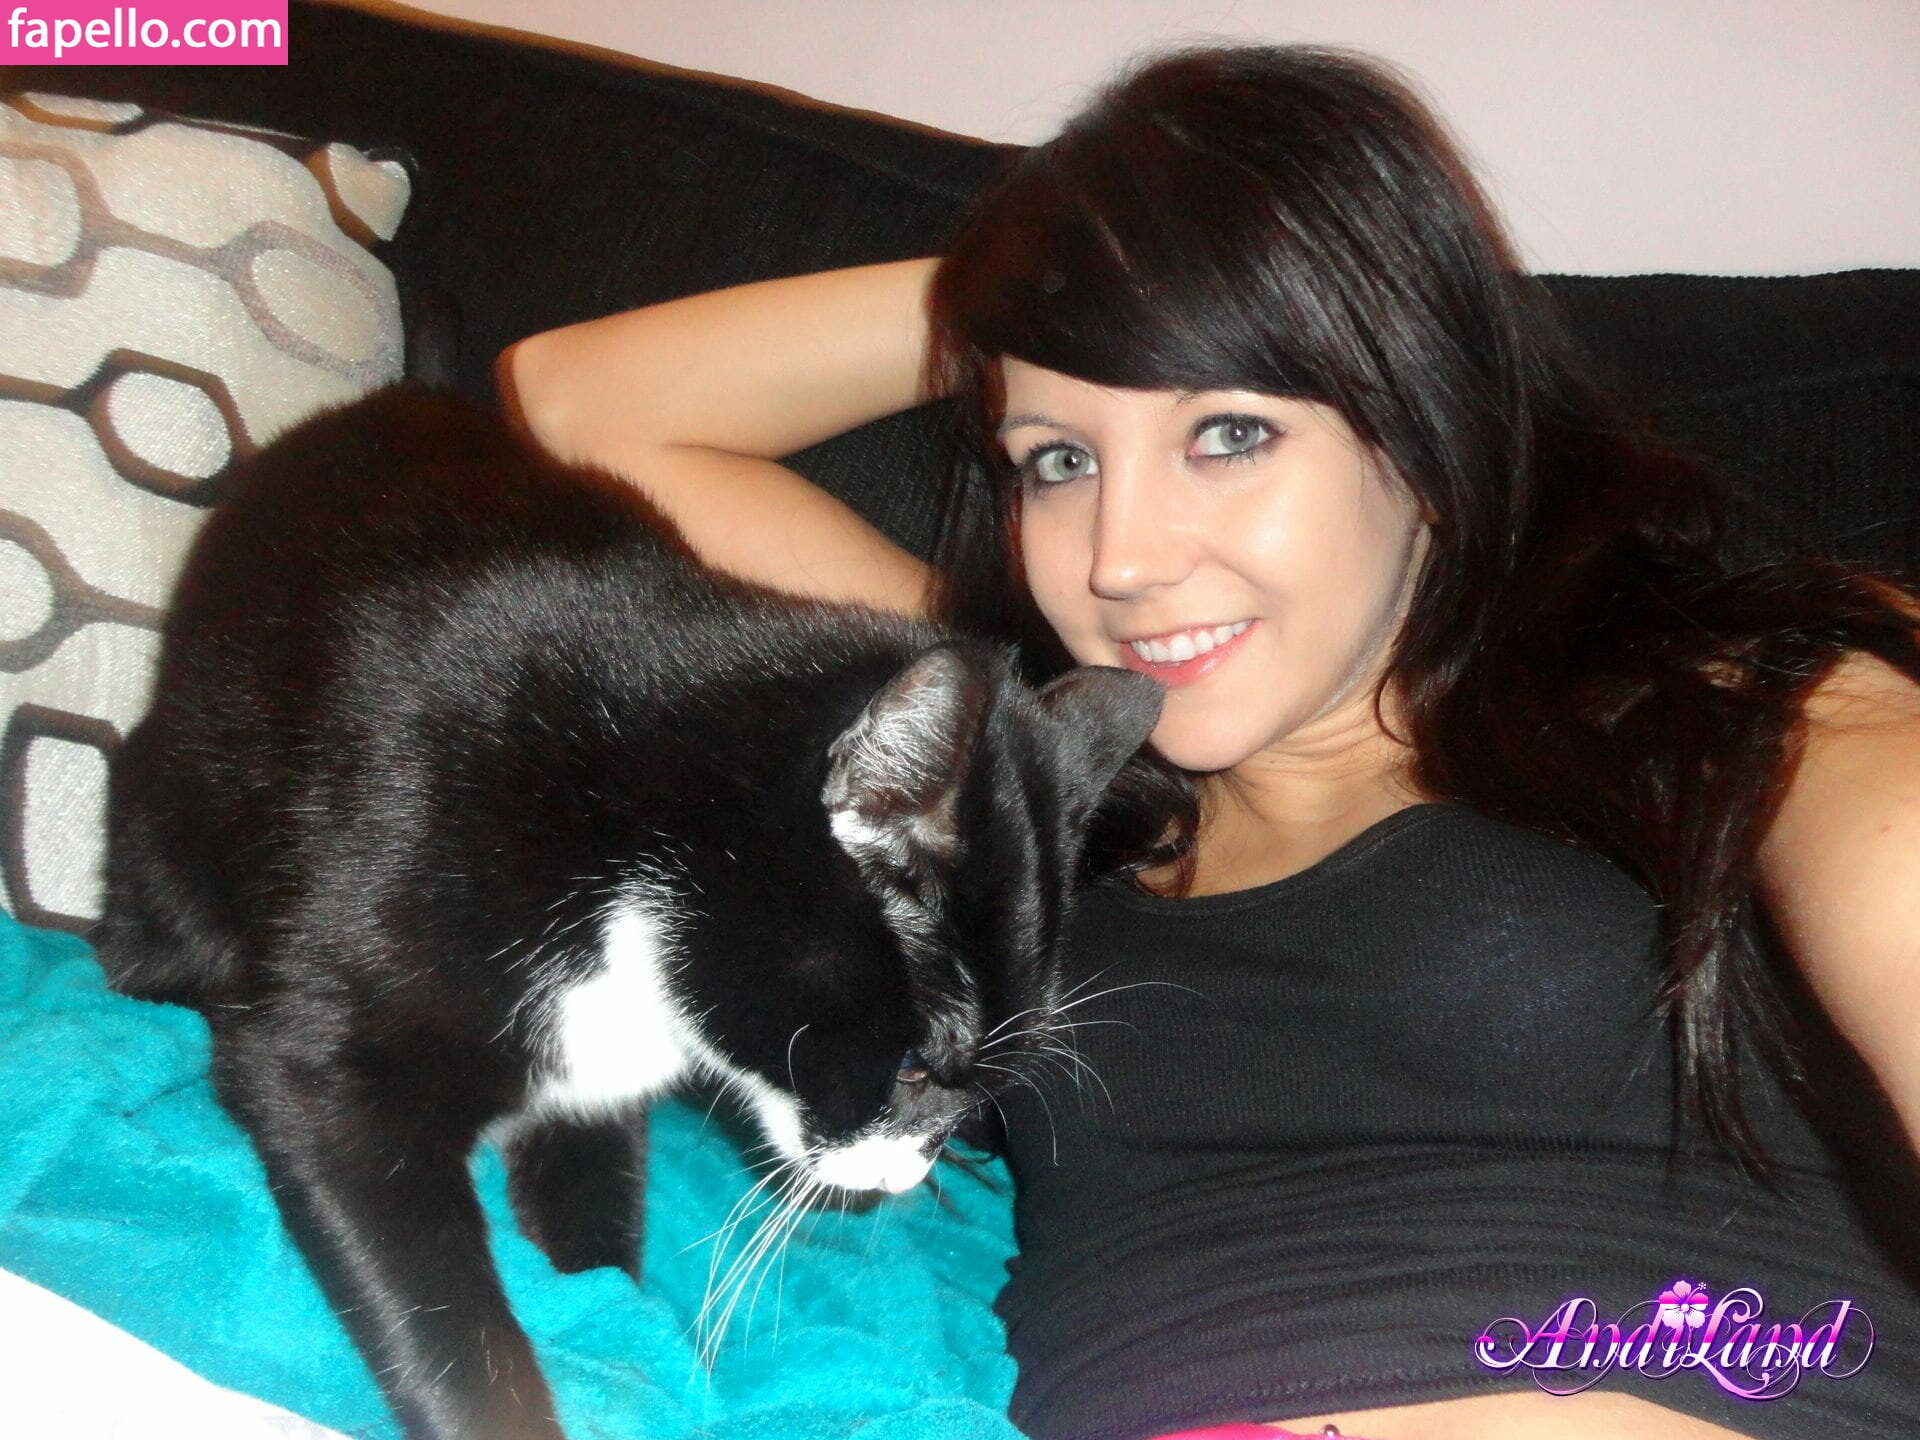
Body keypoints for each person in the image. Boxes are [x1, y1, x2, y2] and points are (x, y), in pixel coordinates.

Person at [499, 45, 1920, 1440]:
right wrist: (1051, 277)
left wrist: (1267, 264)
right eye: (1059, 460)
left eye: (1229, 433)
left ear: (1424, 427)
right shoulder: (1036, 777)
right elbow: (587, 405)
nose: (1121, 560)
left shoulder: (1740, 703)